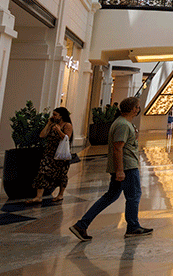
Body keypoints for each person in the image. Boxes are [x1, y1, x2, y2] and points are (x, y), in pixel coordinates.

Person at [70, 97, 153, 240]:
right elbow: (117, 149)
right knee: (133, 196)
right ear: (133, 109)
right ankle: (133, 227)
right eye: (137, 107)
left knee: (110, 196)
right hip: (127, 166)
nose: (138, 109)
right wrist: (120, 171)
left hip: (124, 165)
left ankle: (82, 225)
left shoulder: (124, 123)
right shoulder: (122, 124)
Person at [28, 107, 73, 203]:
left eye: (55, 114)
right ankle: (38, 196)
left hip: (61, 155)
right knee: (43, 171)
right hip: (49, 153)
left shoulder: (67, 125)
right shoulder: (52, 124)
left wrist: (58, 130)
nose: (53, 116)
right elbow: (42, 135)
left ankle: (60, 194)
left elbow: (66, 138)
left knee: (61, 174)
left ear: (61, 116)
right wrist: (48, 124)